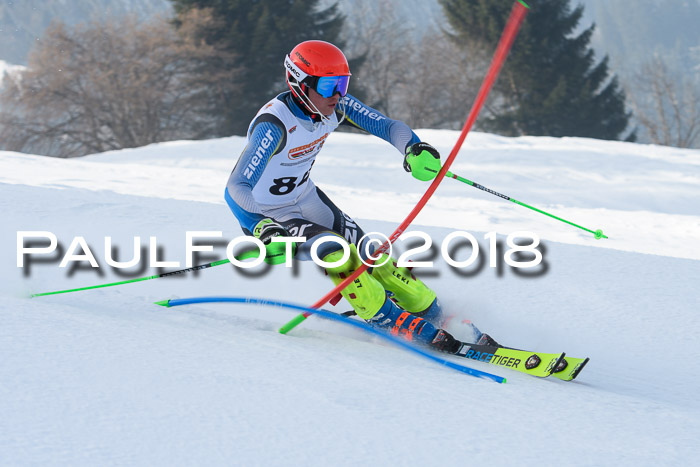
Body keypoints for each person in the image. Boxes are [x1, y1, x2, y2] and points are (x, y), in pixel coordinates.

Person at [225, 40, 462, 353]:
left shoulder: (335, 106)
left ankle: (429, 310)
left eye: (343, 84)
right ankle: (386, 318)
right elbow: (236, 188)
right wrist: (262, 227)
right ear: (300, 84)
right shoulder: (275, 125)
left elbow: (389, 126)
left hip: (307, 198)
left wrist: (413, 148)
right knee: (337, 252)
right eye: (328, 86)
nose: (337, 95)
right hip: (271, 216)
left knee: (370, 254)